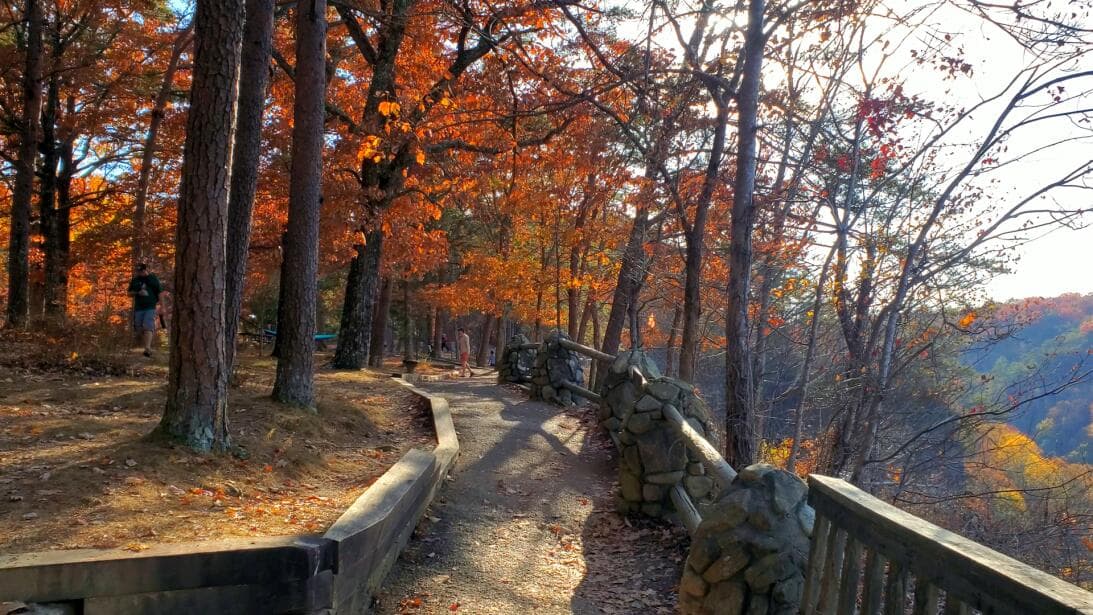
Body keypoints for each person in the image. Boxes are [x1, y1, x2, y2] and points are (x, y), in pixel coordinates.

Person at [127, 263, 162, 357]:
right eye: (138, 271)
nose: (140, 273)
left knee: (148, 325)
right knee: (139, 327)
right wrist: (138, 292)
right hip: (139, 307)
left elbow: (159, 292)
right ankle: (146, 344)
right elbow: (129, 293)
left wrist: (162, 306)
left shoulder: (153, 279)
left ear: (145, 270)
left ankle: (147, 348)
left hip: (150, 306)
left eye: (141, 271)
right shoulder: (135, 280)